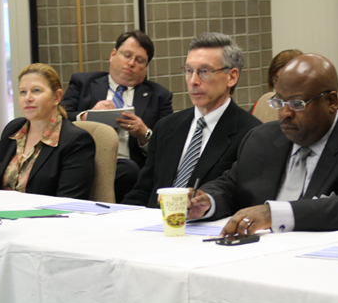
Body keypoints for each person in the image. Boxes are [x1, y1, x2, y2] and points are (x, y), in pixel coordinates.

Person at [188, 54, 338, 236]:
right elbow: (232, 185)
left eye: (297, 104)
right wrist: (206, 201)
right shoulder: (261, 138)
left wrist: (274, 214)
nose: (285, 114)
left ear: (331, 102)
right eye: (279, 102)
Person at [122, 32, 261, 207]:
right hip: (155, 224)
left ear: (231, 77)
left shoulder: (252, 134)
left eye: (204, 71)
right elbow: (143, 191)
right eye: (189, 71)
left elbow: (242, 200)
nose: (193, 81)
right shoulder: (166, 127)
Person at [61, 30, 173, 203]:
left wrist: (145, 135)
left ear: (146, 66)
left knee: (129, 170)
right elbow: (58, 119)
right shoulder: (82, 83)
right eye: (126, 55)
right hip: (86, 161)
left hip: (131, 168)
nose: (131, 63)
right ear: (113, 54)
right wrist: (86, 116)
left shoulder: (160, 96)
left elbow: (170, 146)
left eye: (139, 60)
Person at [0, 63, 95, 199]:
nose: (28, 98)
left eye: (36, 91)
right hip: (1, 217)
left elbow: (69, 202)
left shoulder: (76, 141)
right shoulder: (14, 130)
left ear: (57, 97)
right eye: (23, 92)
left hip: (45, 218)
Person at [250, 49, 303, 115]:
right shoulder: (262, 105)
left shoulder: (310, 108)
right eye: (276, 80)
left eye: (287, 80)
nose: (281, 86)